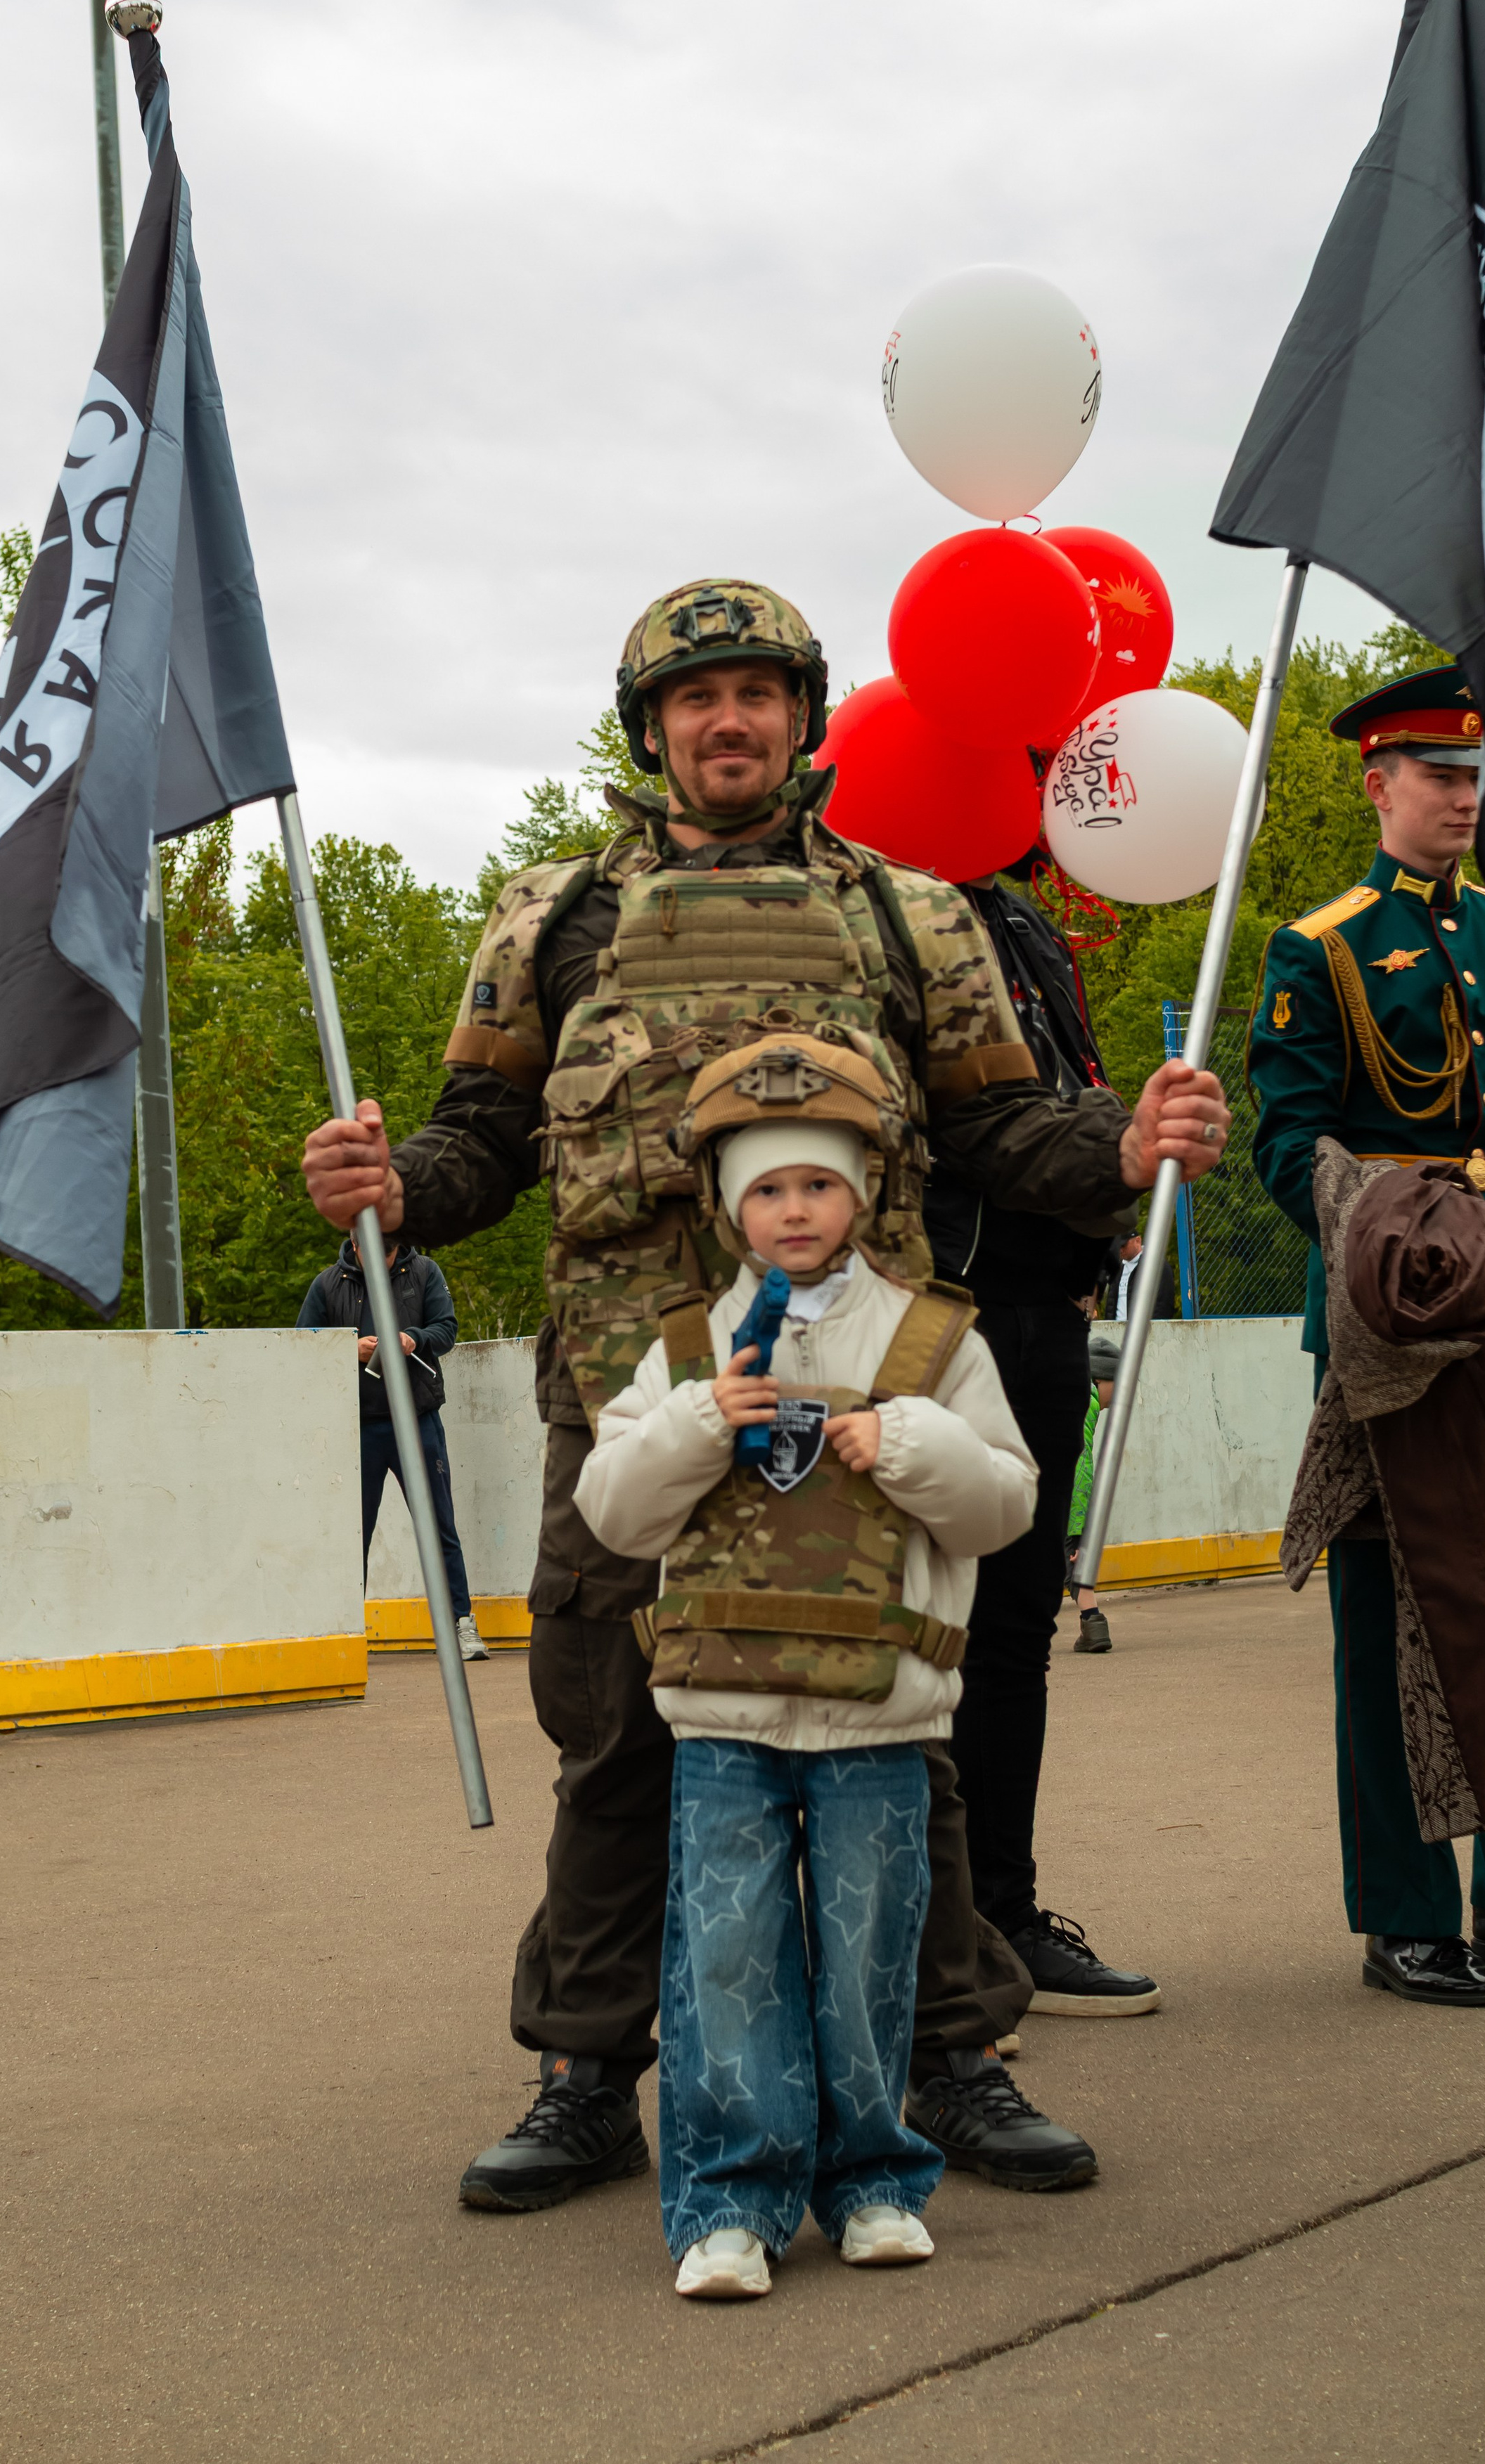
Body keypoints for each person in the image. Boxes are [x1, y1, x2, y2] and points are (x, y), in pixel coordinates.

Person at [300, 577, 1230, 2205]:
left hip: (852, 1389)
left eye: (754, 693)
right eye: (691, 697)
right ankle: (587, 2073)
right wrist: (381, 1186)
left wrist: (1119, 1146)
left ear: (801, 718)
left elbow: (1006, 1134)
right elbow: (477, 1148)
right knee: (612, 1739)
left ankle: (948, 2057)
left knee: (894, 1724)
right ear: (648, 725)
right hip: (632, 1394)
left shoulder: (908, 914)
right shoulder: (548, 917)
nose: (724, 721)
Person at [573, 1036, 1039, 2296]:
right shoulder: (687, 1344)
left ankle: (877, 2182)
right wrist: (690, 1420)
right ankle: (729, 2204)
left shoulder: (939, 1342)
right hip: (722, 1712)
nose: (795, 1210)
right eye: (768, 1189)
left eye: (819, 1186)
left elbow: (1004, 1505)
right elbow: (614, 1513)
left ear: (863, 1193)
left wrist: (910, 1439)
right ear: (730, 1205)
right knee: (727, 1956)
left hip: (879, 1716)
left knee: (873, 1952)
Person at [1251, 663, 1485, 2004]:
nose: (1462, 795)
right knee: (1395, 1616)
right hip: (1401, 1315)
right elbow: (1290, 1140)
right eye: (1438, 775)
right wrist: (1394, 1235)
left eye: (1473, 775)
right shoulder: (1321, 944)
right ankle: (1405, 1912)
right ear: (1376, 783)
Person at [924, 867, 1159, 2013]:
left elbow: (1068, 1088)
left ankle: (1003, 1918)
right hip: (927, 1312)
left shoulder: (1025, 920)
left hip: (1038, 1315)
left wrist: (1098, 1232)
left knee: (1017, 1629)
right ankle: (924, 1943)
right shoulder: (879, 907)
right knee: (926, 1638)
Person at [297, 1230, 489, 1662]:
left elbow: (447, 1330)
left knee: (439, 1526)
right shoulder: (328, 1283)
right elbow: (302, 1343)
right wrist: (348, 1348)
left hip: (417, 1419)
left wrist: (413, 1339)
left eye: (390, 1254)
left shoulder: (424, 1273)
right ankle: (348, 1633)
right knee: (353, 1534)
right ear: (354, 1244)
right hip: (358, 1426)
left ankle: (462, 1623)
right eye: (372, 1254)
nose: (382, 1262)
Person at [1064, 1328, 1120, 1656]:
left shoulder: (1074, 1396)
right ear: (1100, 1379)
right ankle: (1093, 1622)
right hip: (1071, 1500)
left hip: (1058, 1495)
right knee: (1077, 1561)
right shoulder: (1084, 1400)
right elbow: (1081, 1462)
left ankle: (1093, 1625)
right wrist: (1082, 1517)